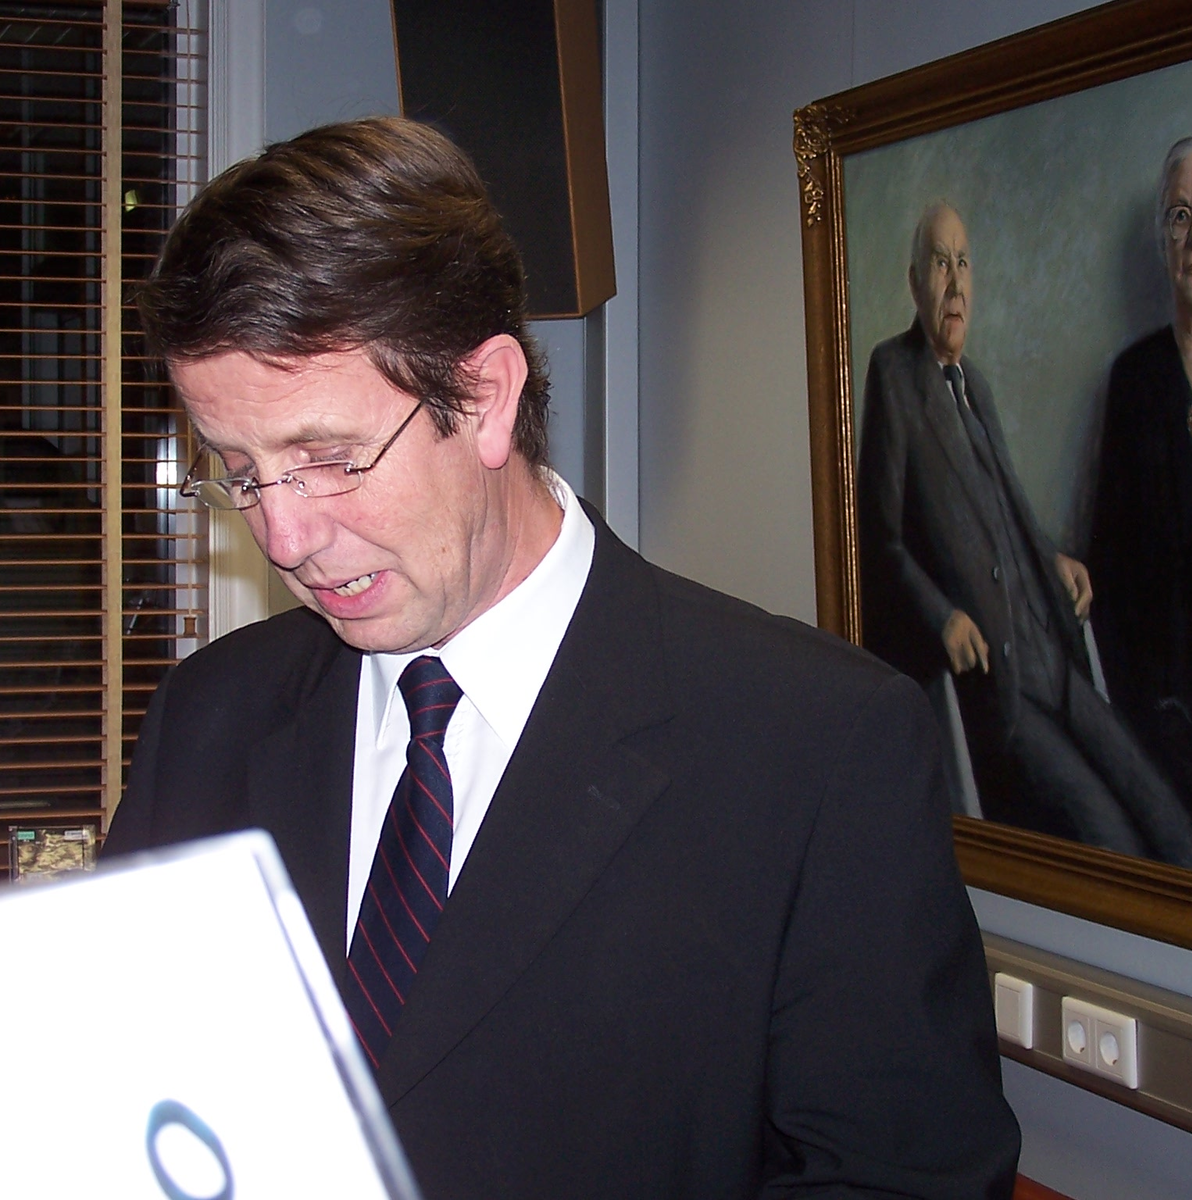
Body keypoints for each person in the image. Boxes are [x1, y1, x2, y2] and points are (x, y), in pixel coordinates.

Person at [104, 120, 1019, 1199]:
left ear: (486, 398)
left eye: (331, 459)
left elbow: (905, 1181)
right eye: (242, 472)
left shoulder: (819, 748)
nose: (285, 537)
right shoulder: (209, 716)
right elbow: (122, 1092)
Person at [857, 202, 1192, 867]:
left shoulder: (977, 388)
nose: (955, 283)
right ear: (914, 282)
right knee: (1115, 844)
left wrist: (1053, 559)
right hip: (1005, 692)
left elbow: (1008, 515)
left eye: (963, 263)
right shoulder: (894, 374)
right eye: (939, 263)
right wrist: (942, 616)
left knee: (1169, 818)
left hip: (1058, 661)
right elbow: (878, 539)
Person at [1091, 136, 1192, 820]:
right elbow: (1110, 568)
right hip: (1165, 718)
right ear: (1163, 239)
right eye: (1180, 214)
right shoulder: (1135, 379)